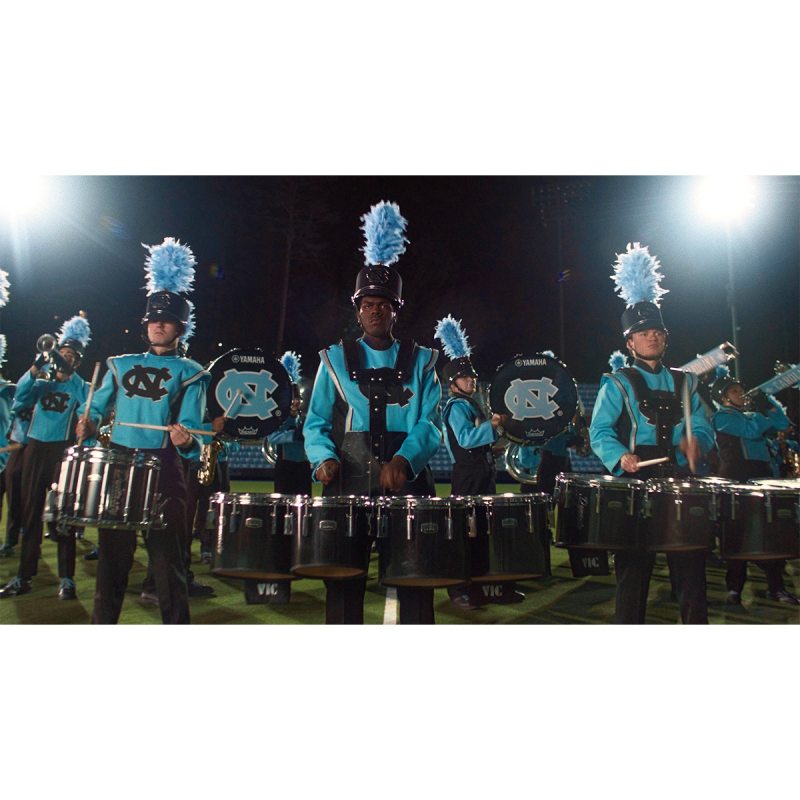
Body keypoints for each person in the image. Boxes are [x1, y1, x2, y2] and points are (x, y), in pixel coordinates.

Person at [304, 201, 443, 624]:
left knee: (416, 588)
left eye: (384, 302)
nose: (375, 309)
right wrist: (323, 459)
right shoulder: (332, 358)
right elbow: (315, 422)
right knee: (343, 590)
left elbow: (430, 423)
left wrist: (405, 460)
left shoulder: (422, 361)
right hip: (346, 480)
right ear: (357, 309)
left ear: (396, 309)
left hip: (408, 482)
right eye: (367, 303)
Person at [75, 237, 210, 624]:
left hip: (164, 470)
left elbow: (193, 431)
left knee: (169, 567)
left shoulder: (192, 373)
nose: (157, 325)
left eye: (165, 320)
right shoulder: (120, 364)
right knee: (112, 565)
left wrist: (186, 441)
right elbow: (97, 409)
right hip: (119, 467)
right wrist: (89, 422)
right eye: (153, 319)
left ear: (180, 328)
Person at [589, 243, 715, 624]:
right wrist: (618, 456)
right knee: (633, 575)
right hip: (634, 481)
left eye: (657, 331)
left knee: (691, 573)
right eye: (643, 333)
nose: (652, 337)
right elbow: (599, 431)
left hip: (680, 479)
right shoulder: (617, 382)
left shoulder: (686, 382)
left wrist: (698, 444)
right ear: (630, 342)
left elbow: (704, 424)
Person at [0, 314, 92, 600]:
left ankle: (67, 578)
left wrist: (69, 373)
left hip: (62, 453)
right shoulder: (41, 384)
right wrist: (38, 365)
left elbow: (86, 406)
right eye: (61, 355)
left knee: (62, 516)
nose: (65, 360)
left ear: (77, 362)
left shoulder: (80, 386)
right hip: (36, 450)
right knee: (30, 514)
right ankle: (24, 575)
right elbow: (20, 398)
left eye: (70, 357)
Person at [433, 314, 515, 608]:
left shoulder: (470, 403)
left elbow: (476, 441)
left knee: (483, 531)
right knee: (466, 534)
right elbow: (466, 439)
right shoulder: (456, 406)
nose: (472, 380)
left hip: (483, 473)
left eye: (473, 377)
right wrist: (492, 426)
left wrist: (494, 447)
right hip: (467, 477)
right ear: (454, 382)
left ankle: (486, 586)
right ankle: (459, 590)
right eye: (467, 377)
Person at [710, 371, 799, 605]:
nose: (742, 394)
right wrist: (760, 414)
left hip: (763, 477)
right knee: (736, 534)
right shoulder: (723, 417)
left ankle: (776, 587)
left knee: (771, 533)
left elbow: (782, 424)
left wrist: (767, 403)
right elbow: (750, 431)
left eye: (741, 389)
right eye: (735, 391)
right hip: (736, 480)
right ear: (724, 397)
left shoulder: (751, 414)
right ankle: (734, 588)